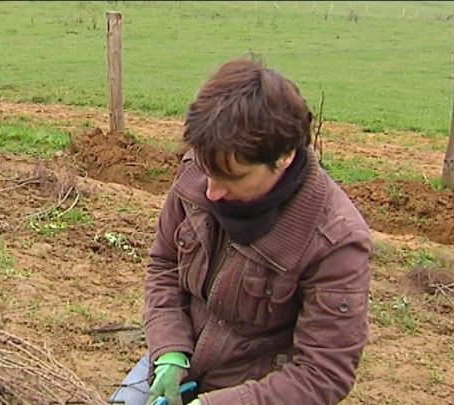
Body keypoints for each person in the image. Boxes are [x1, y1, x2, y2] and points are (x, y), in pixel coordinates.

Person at [112, 56, 373, 405]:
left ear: (283, 157)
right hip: (180, 364)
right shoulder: (203, 167)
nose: (211, 192)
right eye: (208, 171)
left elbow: (322, 374)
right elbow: (164, 267)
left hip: (260, 392)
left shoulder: (336, 241)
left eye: (231, 179)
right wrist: (169, 352)